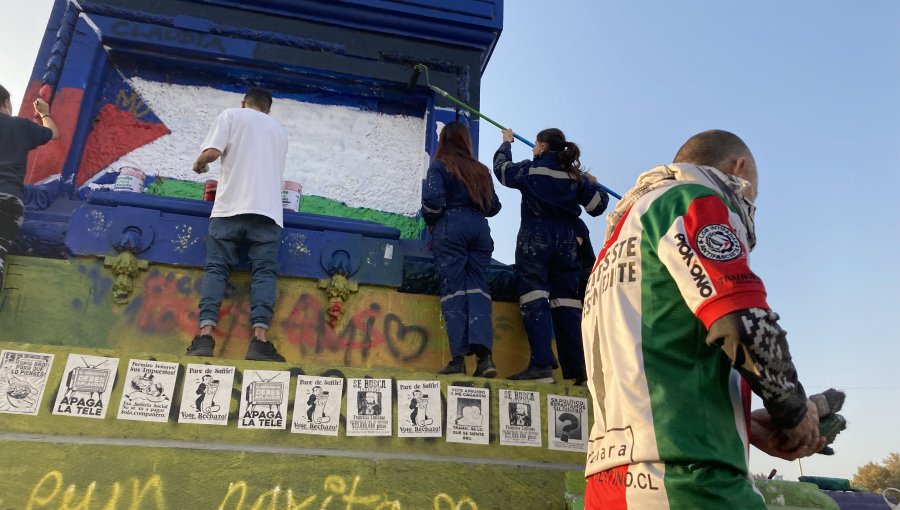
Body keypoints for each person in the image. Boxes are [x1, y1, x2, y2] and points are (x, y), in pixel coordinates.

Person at [581, 130, 825, 508]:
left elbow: (657, 359)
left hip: (609, 480)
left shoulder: (616, 241)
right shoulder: (690, 199)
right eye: (752, 197)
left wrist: (742, 424)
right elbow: (742, 321)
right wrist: (794, 411)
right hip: (685, 479)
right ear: (738, 169)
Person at [493, 128, 609, 383]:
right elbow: (596, 207)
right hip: (567, 243)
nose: (534, 149)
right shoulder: (574, 177)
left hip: (536, 238)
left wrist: (506, 143)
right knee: (567, 303)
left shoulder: (530, 170)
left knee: (534, 296)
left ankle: (542, 365)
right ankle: (578, 371)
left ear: (543, 146)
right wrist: (593, 183)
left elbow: (501, 170)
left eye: (535, 145)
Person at [185, 87, 288, 362]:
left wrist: (198, 164)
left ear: (244, 103)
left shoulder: (232, 115)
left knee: (217, 269)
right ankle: (259, 342)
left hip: (230, 208)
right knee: (264, 273)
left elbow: (212, 152)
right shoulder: (279, 130)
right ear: (268, 109)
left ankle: (205, 338)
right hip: (267, 213)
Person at [422, 121, 502, 377]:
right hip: (479, 229)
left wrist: (433, 219)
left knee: (453, 291)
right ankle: (485, 360)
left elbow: (433, 201)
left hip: (452, 227)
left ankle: (457, 361)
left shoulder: (440, 165)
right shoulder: (481, 170)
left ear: (444, 141)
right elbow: (493, 207)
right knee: (479, 290)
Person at [0, 84, 58, 290]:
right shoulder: (20, 126)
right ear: (6, 102)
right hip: (9, 202)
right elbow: (53, 133)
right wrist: (45, 113)